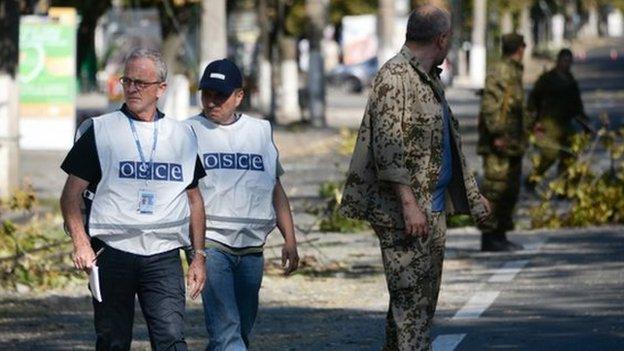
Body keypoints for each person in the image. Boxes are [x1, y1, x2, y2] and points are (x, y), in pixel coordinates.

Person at [338, 6, 491, 350]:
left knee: (414, 306)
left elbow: (443, 144)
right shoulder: (395, 77)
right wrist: (409, 206)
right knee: (412, 308)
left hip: (430, 210)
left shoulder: (428, 77)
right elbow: (388, 148)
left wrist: (471, 193)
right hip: (403, 215)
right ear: (441, 39)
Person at [60, 48, 207, 351]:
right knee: (112, 341)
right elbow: (70, 195)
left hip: (164, 253)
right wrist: (81, 243)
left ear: (161, 89)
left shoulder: (182, 135)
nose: (132, 88)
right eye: (127, 80)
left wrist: (199, 255)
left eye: (142, 82)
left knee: (172, 340)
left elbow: (194, 200)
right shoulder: (100, 131)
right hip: (113, 252)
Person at [185, 59, 299, 351]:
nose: (212, 102)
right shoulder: (187, 132)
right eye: (207, 93)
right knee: (228, 331)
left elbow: (275, 187)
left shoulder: (260, 131)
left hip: (251, 249)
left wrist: (290, 238)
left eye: (220, 95)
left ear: (239, 96)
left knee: (237, 334)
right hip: (212, 245)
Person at [477, 33, 530, 252]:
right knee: (495, 188)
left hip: (513, 141)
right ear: (519, 48)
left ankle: (501, 233)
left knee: (510, 189)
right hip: (499, 142)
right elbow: (490, 105)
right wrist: (497, 134)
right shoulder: (500, 71)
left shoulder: (515, 70)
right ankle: (489, 236)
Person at [527, 48, 592, 187]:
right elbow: (533, 99)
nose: (567, 64)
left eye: (569, 61)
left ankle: (563, 187)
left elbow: (577, 103)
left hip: (566, 124)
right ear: (558, 60)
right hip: (548, 124)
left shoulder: (570, 80)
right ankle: (532, 180)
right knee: (549, 155)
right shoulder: (547, 79)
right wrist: (533, 122)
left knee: (569, 156)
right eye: (564, 60)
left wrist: (585, 121)